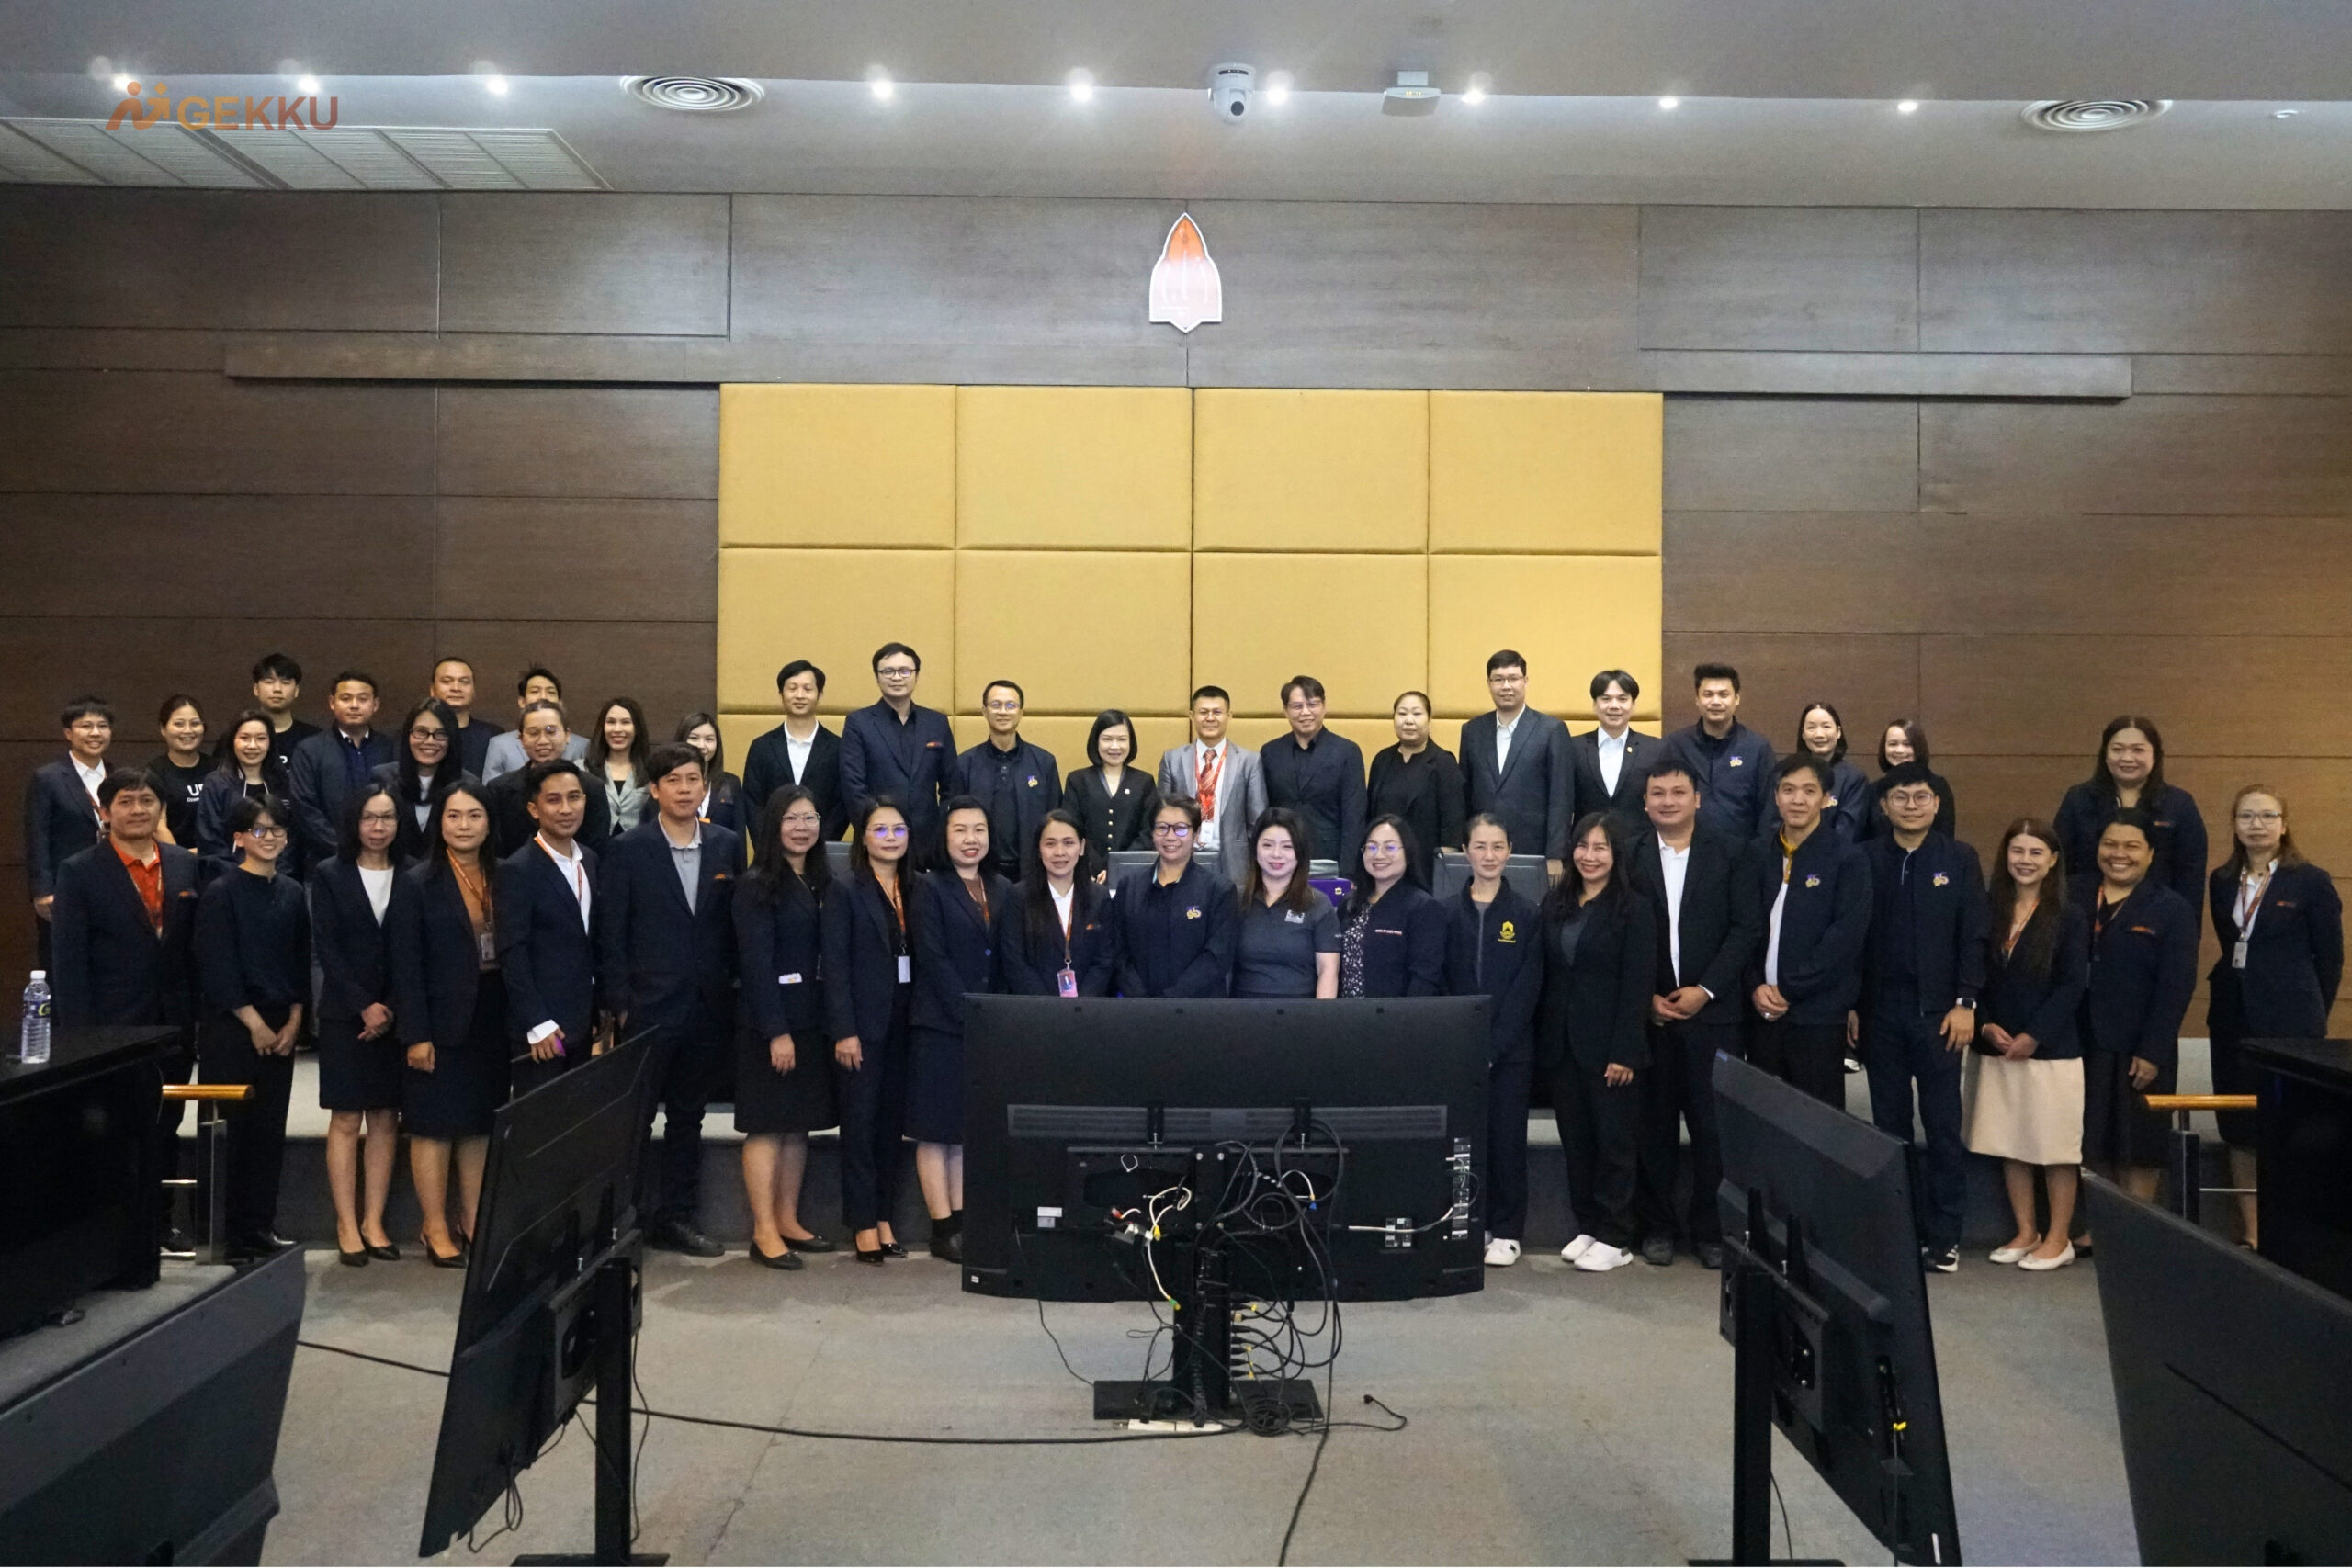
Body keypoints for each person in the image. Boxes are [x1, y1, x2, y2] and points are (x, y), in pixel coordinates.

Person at [598, 743, 743, 1257]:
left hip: (707, 1005)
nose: (685, 789)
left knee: (688, 1116)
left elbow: (733, 925)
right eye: (674, 781)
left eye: (693, 780)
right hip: (646, 1007)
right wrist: (618, 1002)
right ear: (654, 790)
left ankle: (677, 1218)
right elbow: (611, 932)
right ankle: (623, 1222)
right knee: (634, 1119)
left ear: (705, 786)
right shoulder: (627, 849)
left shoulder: (726, 844)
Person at [51, 767, 200, 1249]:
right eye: (126, 802)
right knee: (113, 1130)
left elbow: (191, 950)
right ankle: (114, 1231)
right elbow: (68, 963)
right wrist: (79, 1040)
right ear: (104, 810)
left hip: (173, 1024)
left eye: (147, 801)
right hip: (109, 1029)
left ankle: (160, 1222)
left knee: (167, 1125)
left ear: (161, 809)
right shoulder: (79, 870)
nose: (138, 810)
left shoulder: (182, 864)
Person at [1625, 758, 1758, 1271]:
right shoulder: (1630, 854)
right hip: (1653, 1017)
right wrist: (1645, 998)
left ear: (1697, 799)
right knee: (1653, 1128)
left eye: (1678, 792)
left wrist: (1706, 989)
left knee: (1713, 1130)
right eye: (1657, 793)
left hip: (1714, 1016)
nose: (1668, 801)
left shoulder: (1733, 852)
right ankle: (1657, 1227)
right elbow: (1618, 932)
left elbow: (1746, 928)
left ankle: (1710, 1230)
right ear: (1645, 802)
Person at [1858, 763, 1989, 1275]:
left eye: (1920, 797)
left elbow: (1974, 934)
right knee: (1888, 1127)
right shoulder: (1866, 858)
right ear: (1884, 806)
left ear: (1936, 804)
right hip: (1880, 1013)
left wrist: (1966, 1002)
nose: (1910, 806)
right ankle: (1898, 1231)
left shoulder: (1960, 859)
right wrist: (1853, 1005)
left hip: (1941, 1015)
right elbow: (1855, 936)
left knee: (1942, 1125)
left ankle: (1944, 1235)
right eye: (1900, 797)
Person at [2206, 785, 2343, 1248]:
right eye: (2247, 816)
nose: (2257, 825)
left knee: (2293, 1126)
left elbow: (2330, 959)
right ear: (2234, 824)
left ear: (2284, 825)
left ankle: (2295, 1234)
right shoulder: (2222, 880)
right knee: (2239, 1125)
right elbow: (2232, 944)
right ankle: (2253, 1233)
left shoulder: (2311, 881)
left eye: (2267, 816)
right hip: (2233, 1019)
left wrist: (2312, 1017)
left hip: (2292, 1023)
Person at [389, 785, 510, 1266]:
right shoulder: (417, 882)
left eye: (474, 815)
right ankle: (434, 1225)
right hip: (438, 1024)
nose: (464, 825)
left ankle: (473, 1220)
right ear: (439, 823)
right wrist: (416, 1034)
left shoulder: (504, 874)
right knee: (433, 1127)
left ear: (488, 822)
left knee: (480, 1124)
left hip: (492, 1017)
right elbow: (406, 966)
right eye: (454, 816)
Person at [1969, 818, 2092, 1272]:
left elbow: (2072, 984)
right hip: (1997, 1044)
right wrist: (1984, 1025)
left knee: (2055, 1147)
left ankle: (2058, 1238)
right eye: (2017, 851)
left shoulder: (2070, 915)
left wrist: (2034, 1035)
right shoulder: (1988, 908)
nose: (2025, 860)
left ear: (2053, 860)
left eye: (2036, 852)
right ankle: (2026, 1231)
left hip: (2050, 1049)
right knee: (2010, 1141)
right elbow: (1972, 974)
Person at [1539, 813, 1657, 1274]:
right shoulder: (1557, 902)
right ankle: (1588, 1224)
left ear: (1616, 854)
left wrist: (1625, 1050)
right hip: (1562, 1044)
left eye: (1601, 847)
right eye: (1583, 846)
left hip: (1610, 1047)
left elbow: (1637, 984)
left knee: (1614, 1143)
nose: (1589, 856)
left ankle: (1616, 1235)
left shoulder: (1634, 908)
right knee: (1577, 1140)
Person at [194, 795, 308, 1260]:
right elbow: (217, 966)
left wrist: (296, 1020)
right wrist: (255, 1024)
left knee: (268, 1133)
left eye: (277, 829)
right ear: (239, 838)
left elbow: (300, 961)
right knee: (231, 1135)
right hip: (233, 1028)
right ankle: (224, 1235)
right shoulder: (221, 892)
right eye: (259, 830)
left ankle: (259, 1226)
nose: (270, 837)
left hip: (282, 1027)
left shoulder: (293, 892)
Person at [2074, 810, 2197, 1233]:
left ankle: (2135, 1232)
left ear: (2150, 853)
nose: (2119, 854)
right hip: (2082, 1039)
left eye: (2131, 846)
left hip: (2140, 1044)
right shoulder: (2074, 895)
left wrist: (2153, 1050)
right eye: (2110, 844)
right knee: (2093, 1139)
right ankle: (2101, 1229)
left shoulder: (2171, 907)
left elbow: (2176, 986)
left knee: (2139, 1142)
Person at [732, 785, 840, 1269]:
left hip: (811, 1020)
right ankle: (763, 1231)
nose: (802, 828)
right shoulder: (757, 885)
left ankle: (788, 1219)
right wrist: (776, 1032)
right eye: (791, 819)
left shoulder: (821, 881)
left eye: (810, 818)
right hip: (770, 1025)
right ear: (773, 825)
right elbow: (756, 966)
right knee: (767, 1126)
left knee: (798, 1127)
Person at [310, 784, 412, 1265]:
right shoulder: (330, 873)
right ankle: (346, 1223)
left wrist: (388, 1007)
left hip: (396, 1015)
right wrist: (363, 1006)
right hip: (344, 1015)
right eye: (369, 817)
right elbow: (327, 948)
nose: (378, 827)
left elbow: (414, 949)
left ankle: (374, 1221)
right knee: (347, 1118)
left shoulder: (413, 873)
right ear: (354, 822)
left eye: (387, 817)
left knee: (386, 1117)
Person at [907, 797, 1008, 1262]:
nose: (971, 839)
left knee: (965, 1128)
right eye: (960, 830)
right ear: (944, 837)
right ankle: (941, 1227)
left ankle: (964, 1221)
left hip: (988, 1026)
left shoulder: (1002, 887)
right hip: (941, 1023)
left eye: (979, 830)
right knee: (936, 1129)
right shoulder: (929, 887)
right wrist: (967, 1011)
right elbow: (933, 957)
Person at [1443, 814, 1544, 1267]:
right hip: (1460, 1048)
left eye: (1498, 846)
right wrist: (1466, 1043)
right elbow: (1442, 981)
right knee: (1465, 1141)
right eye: (1480, 846)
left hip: (1511, 1052)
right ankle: (1471, 1222)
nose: (1489, 856)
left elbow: (1528, 987)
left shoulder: (1528, 913)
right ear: (1465, 852)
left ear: (1510, 852)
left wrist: (1494, 1047)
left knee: (1507, 1140)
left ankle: (1506, 1230)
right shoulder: (1445, 912)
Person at [1746, 754, 1872, 1107]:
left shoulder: (1847, 858)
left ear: (1826, 799)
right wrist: (1754, 985)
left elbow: (1844, 938)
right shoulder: (1756, 853)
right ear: (1776, 797)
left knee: (1816, 1118)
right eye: (1788, 790)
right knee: (1764, 1114)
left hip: (1817, 1015)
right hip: (1761, 1011)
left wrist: (1788, 990)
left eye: (1809, 791)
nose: (1797, 799)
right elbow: (1743, 928)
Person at [824, 796, 919, 1264]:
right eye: (880, 830)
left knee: (890, 1127)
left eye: (898, 830)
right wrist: (844, 1030)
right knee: (860, 1126)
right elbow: (835, 966)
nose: (890, 838)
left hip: (905, 1023)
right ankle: (862, 1221)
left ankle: (883, 1216)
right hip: (861, 1027)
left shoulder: (914, 886)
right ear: (862, 837)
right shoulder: (845, 889)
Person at [494, 760, 602, 1099]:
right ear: (534, 809)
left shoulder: (590, 859)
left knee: (577, 1120)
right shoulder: (518, 869)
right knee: (540, 1123)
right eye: (554, 800)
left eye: (574, 797)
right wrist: (537, 1023)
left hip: (582, 1020)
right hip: (542, 1029)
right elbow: (512, 952)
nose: (566, 809)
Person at [2054, 716, 2207, 931]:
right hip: (2086, 918)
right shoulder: (2078, 799)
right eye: (2117, 749)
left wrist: (2185, 932)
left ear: (2155, 755)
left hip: (2156, 921)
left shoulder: (2179, 804)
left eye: (2138, 750)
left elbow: (2191, 878)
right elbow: (2060, 866)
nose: (2127, 758)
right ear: (2105, 755)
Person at [1459, 650, 1575, 884]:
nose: (1506, 686)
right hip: (1483, 852)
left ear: (1525, 681)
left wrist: (1556, 854)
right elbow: (1464, 794)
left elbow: (1561, 798)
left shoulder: (1551, 730)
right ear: (1489, 683)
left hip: (1534, 851)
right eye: (1498, 679)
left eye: (1513, 678)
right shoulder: (1472, 731)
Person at [840, 642, 956, 859]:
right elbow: (853, 787)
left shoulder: (937, 723)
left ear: (916, 675)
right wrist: (873, 830)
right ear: (877, 677)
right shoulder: (859, 723)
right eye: (888, 671)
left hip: (929, 843)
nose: (896, 677)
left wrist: (942, 829)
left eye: (904, 671)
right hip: (879, 842)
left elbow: (951, 785)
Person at [1114, 796, 1238, 998]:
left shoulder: (1219, 890)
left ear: (1196, 834)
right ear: (1152, 833)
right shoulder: (1129, 886)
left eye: (1181, 828)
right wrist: (1140, 998)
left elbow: (1217, 957)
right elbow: (1118, 950)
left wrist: (1171, 1000)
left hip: (1197, 1007)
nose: (1170, 836)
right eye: (1162, 828)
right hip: (1139, 1006)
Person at [24, 695, 113, 964]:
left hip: (112, 883)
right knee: (63, 961)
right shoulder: (48, 778)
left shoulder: (118, 775)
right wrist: (42, 891)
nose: (95, 733)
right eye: (86, 726)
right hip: (64, 888)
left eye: (103, 726)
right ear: (68, 733)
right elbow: (37, 836)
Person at [948, 680, 1062, 883]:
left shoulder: (1044, 762)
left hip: (1033, 873)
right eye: (996, 705)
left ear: (1021, 712)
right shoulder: (965, 764)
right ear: (984, 711)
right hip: (979, 871)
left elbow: (1055, 819)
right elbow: (954, 821)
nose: (1003, 711)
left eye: (1010, 705)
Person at [997, 810, 1119, 997]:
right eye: (1050, 843)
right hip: (1034, 1006)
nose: (1059, 852)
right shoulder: (1018, 897)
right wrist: (1048, 1007)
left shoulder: (1099, 897)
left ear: (1081, 847)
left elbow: (1104, 960)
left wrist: (1080, 1005)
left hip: (1088, 1006)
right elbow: (1015, 962)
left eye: (1068, 843)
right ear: (1039, 849)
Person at [1158, 685, 1266, 886]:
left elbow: (1257, 821)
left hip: (1233, 862)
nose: (1210, 718)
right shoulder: (1172, 759)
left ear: (1229, 716)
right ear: (1191, 716)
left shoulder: (1249, 761)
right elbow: (1161, 818)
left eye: (1217, 712)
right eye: (1203, 712)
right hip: (1182, 858)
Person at [288, 670, 394, 871]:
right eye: (346, 698)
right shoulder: (309, 749)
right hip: (325, 864)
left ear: (375, 705)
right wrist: (345, 849)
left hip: (384, 861)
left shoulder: (390, 748)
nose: (354, 705)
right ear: (332, 702)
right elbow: (305, 809)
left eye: (362, 699)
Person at [1260, 675, 1366, 872]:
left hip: (1329, 859)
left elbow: (1354, 818)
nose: (1305, 712)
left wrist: (1348, 872)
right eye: (1297, 706)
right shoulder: (1270, 752)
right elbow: (1264, 812)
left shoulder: (1347, 751)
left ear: (1324, 707)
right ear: (1285, 710)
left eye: (1312, 704)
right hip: (1281, 860)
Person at [1231, 807, 1340, 999]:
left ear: (1300, 853)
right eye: (1267, 845)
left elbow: (1328, 971)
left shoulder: (1319, 904)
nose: (1276, 854)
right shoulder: (1235, 900)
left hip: (1300, 1010)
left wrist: (1321, 1016)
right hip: (1242, 1010)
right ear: (1255, 849)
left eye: (1287, 847)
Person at [1337, 816, 1447, 997]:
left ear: (1408, 854)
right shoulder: (1350, 902)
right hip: (1347, 1011)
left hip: (1394, 1012)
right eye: (1371, 847)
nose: (1379, 855)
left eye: (1390, 847)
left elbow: (1425, 977)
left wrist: (1404, 1014)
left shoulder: (1423, 908)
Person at [484, 699, 611, 856]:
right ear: (521, 739)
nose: (543, 741)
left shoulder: (592, 787)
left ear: (567, 735)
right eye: (533, 733)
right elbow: (495, 850)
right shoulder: (499, 790)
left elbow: (598, 849)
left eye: (551, 732)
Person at [1663, 663, 1776, 840]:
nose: (1715, 701)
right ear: (1697, 699)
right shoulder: (1675, 745)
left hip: (1743, 852)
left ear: (1737, 699)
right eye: (1708, 694)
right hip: (1685, 850)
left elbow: (1770, 811)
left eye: (1724, 695)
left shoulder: (1757, 748)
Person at [1367, 690, 1466, 887]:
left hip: (1425, 868)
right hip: (1384, 864)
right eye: (1402, 713)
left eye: (1417, 714)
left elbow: (1453, 825)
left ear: (1429, 721)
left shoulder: (1443, 763)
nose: (1409, 721)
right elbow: (1370, 815)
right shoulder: (1382, 760)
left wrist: (1443, 869)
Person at [740, 660, 846, 842]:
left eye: (807, 689)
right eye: (792, 688)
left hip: (821, 851)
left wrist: (820, 846)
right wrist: (768, 846)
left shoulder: (838, 748)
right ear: (781, 694)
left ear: (820, 694)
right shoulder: (762, 747)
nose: (800, 695)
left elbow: (842, 806)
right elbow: (752, 804)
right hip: (771, 850)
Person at [1063, 709, 1159, 884]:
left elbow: (1148, 832)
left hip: (1133, 874)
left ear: (1131, 742)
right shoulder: (1078, 780)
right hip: (1086, 874)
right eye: (1107, 739)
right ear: (1096, 741)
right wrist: (1093, 866)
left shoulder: (1144, 782)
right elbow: (1071, 830)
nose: (1115, 746)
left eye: (1122, 739)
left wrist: (1118, 866)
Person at [370, 698, 470, 863]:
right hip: (393, 871)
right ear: (408, 735)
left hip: (445, 872)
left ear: (451, 739)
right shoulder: (383, 777)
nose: (430, 741)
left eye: (441, 733)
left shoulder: (467, 783)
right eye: (421, 732)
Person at [196, 709, 295, 874]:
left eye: (261, 738)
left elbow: (293, 838)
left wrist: (277, 874)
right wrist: (241, 877)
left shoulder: (284, 782)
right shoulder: (216, 783)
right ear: (232, 741)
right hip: (228, 878)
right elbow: (210, 841)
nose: (252, 745)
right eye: (244, 738)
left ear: (270, 743)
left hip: (278, 877)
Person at [1569, 670, 1662, 829]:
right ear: (1594, 705)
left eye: (1622, 699)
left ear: (1633, 705)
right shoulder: (1573, 747)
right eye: (1606, 699)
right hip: (1588, 841)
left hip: (1639, 841)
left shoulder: (1655, 748)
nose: (1614, 706)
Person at [481, 667, 590, 782]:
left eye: (551, 692)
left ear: (559, 703)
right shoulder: (500, 744)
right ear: (522, 701)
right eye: (535, 691)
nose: (543, 697)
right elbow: (492, 788)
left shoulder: (581, 745)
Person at [1863, 720, 1957, 840]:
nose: (1899, 750)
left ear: (1919, 748)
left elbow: (1945, 834)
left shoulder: (1937, 785)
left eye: (1907, 744)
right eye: (1893, 744)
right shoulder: (1874, 789)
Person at [1794, 702, 1872, 841]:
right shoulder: (1789, 775)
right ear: (1803, 734)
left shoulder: (1854, 778)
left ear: (1838, 732)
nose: (1819, 734)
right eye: (1811, 727)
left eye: (1826, 726)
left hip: (1836, 852)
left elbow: (1847, 831)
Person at [148, 694, 209, 849]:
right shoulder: (153, 773)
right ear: (163, 729)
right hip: (175, 857)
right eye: (179, 724)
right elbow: (158, 826)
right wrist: (183, 858)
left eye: (195, 723)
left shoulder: (218, 768)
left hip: (217, 857)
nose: (188, 730)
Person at [587, 697, 651, 839]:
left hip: (638, 845)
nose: (617, 729)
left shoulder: (652, 770)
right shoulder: (582, 769)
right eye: (611, 722)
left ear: (637, 728)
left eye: (625, 722)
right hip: (595, 847)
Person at [431, 657, 503, 778]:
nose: (456, 688)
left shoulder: (493, 736)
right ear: (432, 690)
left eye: (464, 682)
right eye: (447, 681)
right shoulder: (415, 736)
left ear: (473, 690)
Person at [676, 711, 746, 835]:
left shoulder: (731, 784)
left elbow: (738, 836)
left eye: (709, 739)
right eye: (694, 738)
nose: (701, 745)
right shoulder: (668, 782)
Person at [249, 652, 318, 777]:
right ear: (256, 689)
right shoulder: (236, 738)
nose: (277, 689)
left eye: (285, 683)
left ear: (296, 691)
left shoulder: (315, 739)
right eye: (269, 682)